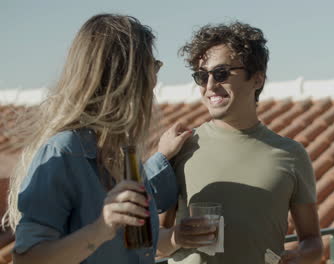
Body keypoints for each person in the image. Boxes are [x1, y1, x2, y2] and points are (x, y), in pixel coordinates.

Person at [1, 14, 191, 264]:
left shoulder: (124, 154)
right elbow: (27, 259)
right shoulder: (65, 151)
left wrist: (177, 237)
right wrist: (102, 227)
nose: (155, 80)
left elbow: (135, 247)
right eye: (152, 66)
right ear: (124, 76)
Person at [156, 21, 323, 264]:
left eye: (221, 74)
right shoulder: (179, 149)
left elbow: (313, 241)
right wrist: (176, 238)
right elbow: (154, 244)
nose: (210, 86)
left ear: (257, 79)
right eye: (202, 76)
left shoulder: (292, 154)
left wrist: (299, 256)